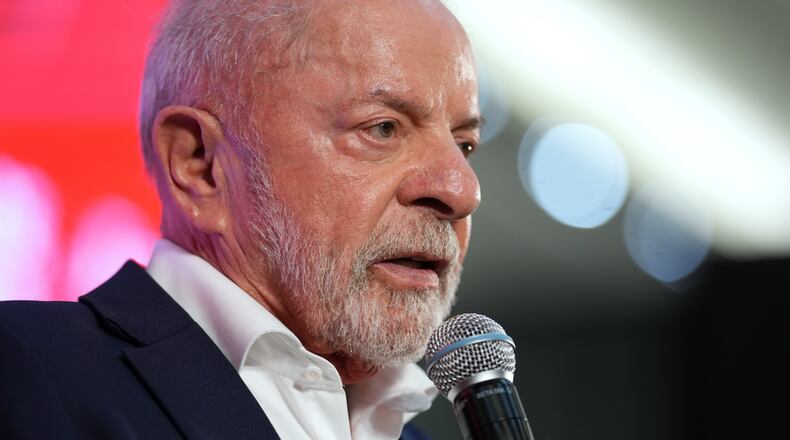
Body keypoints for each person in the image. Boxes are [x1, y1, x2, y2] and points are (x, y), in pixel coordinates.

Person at [0, 0, 482, 438]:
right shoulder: (21, 373)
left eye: (464, 145)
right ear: (201, 164)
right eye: (382, 128)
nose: (461, 190)